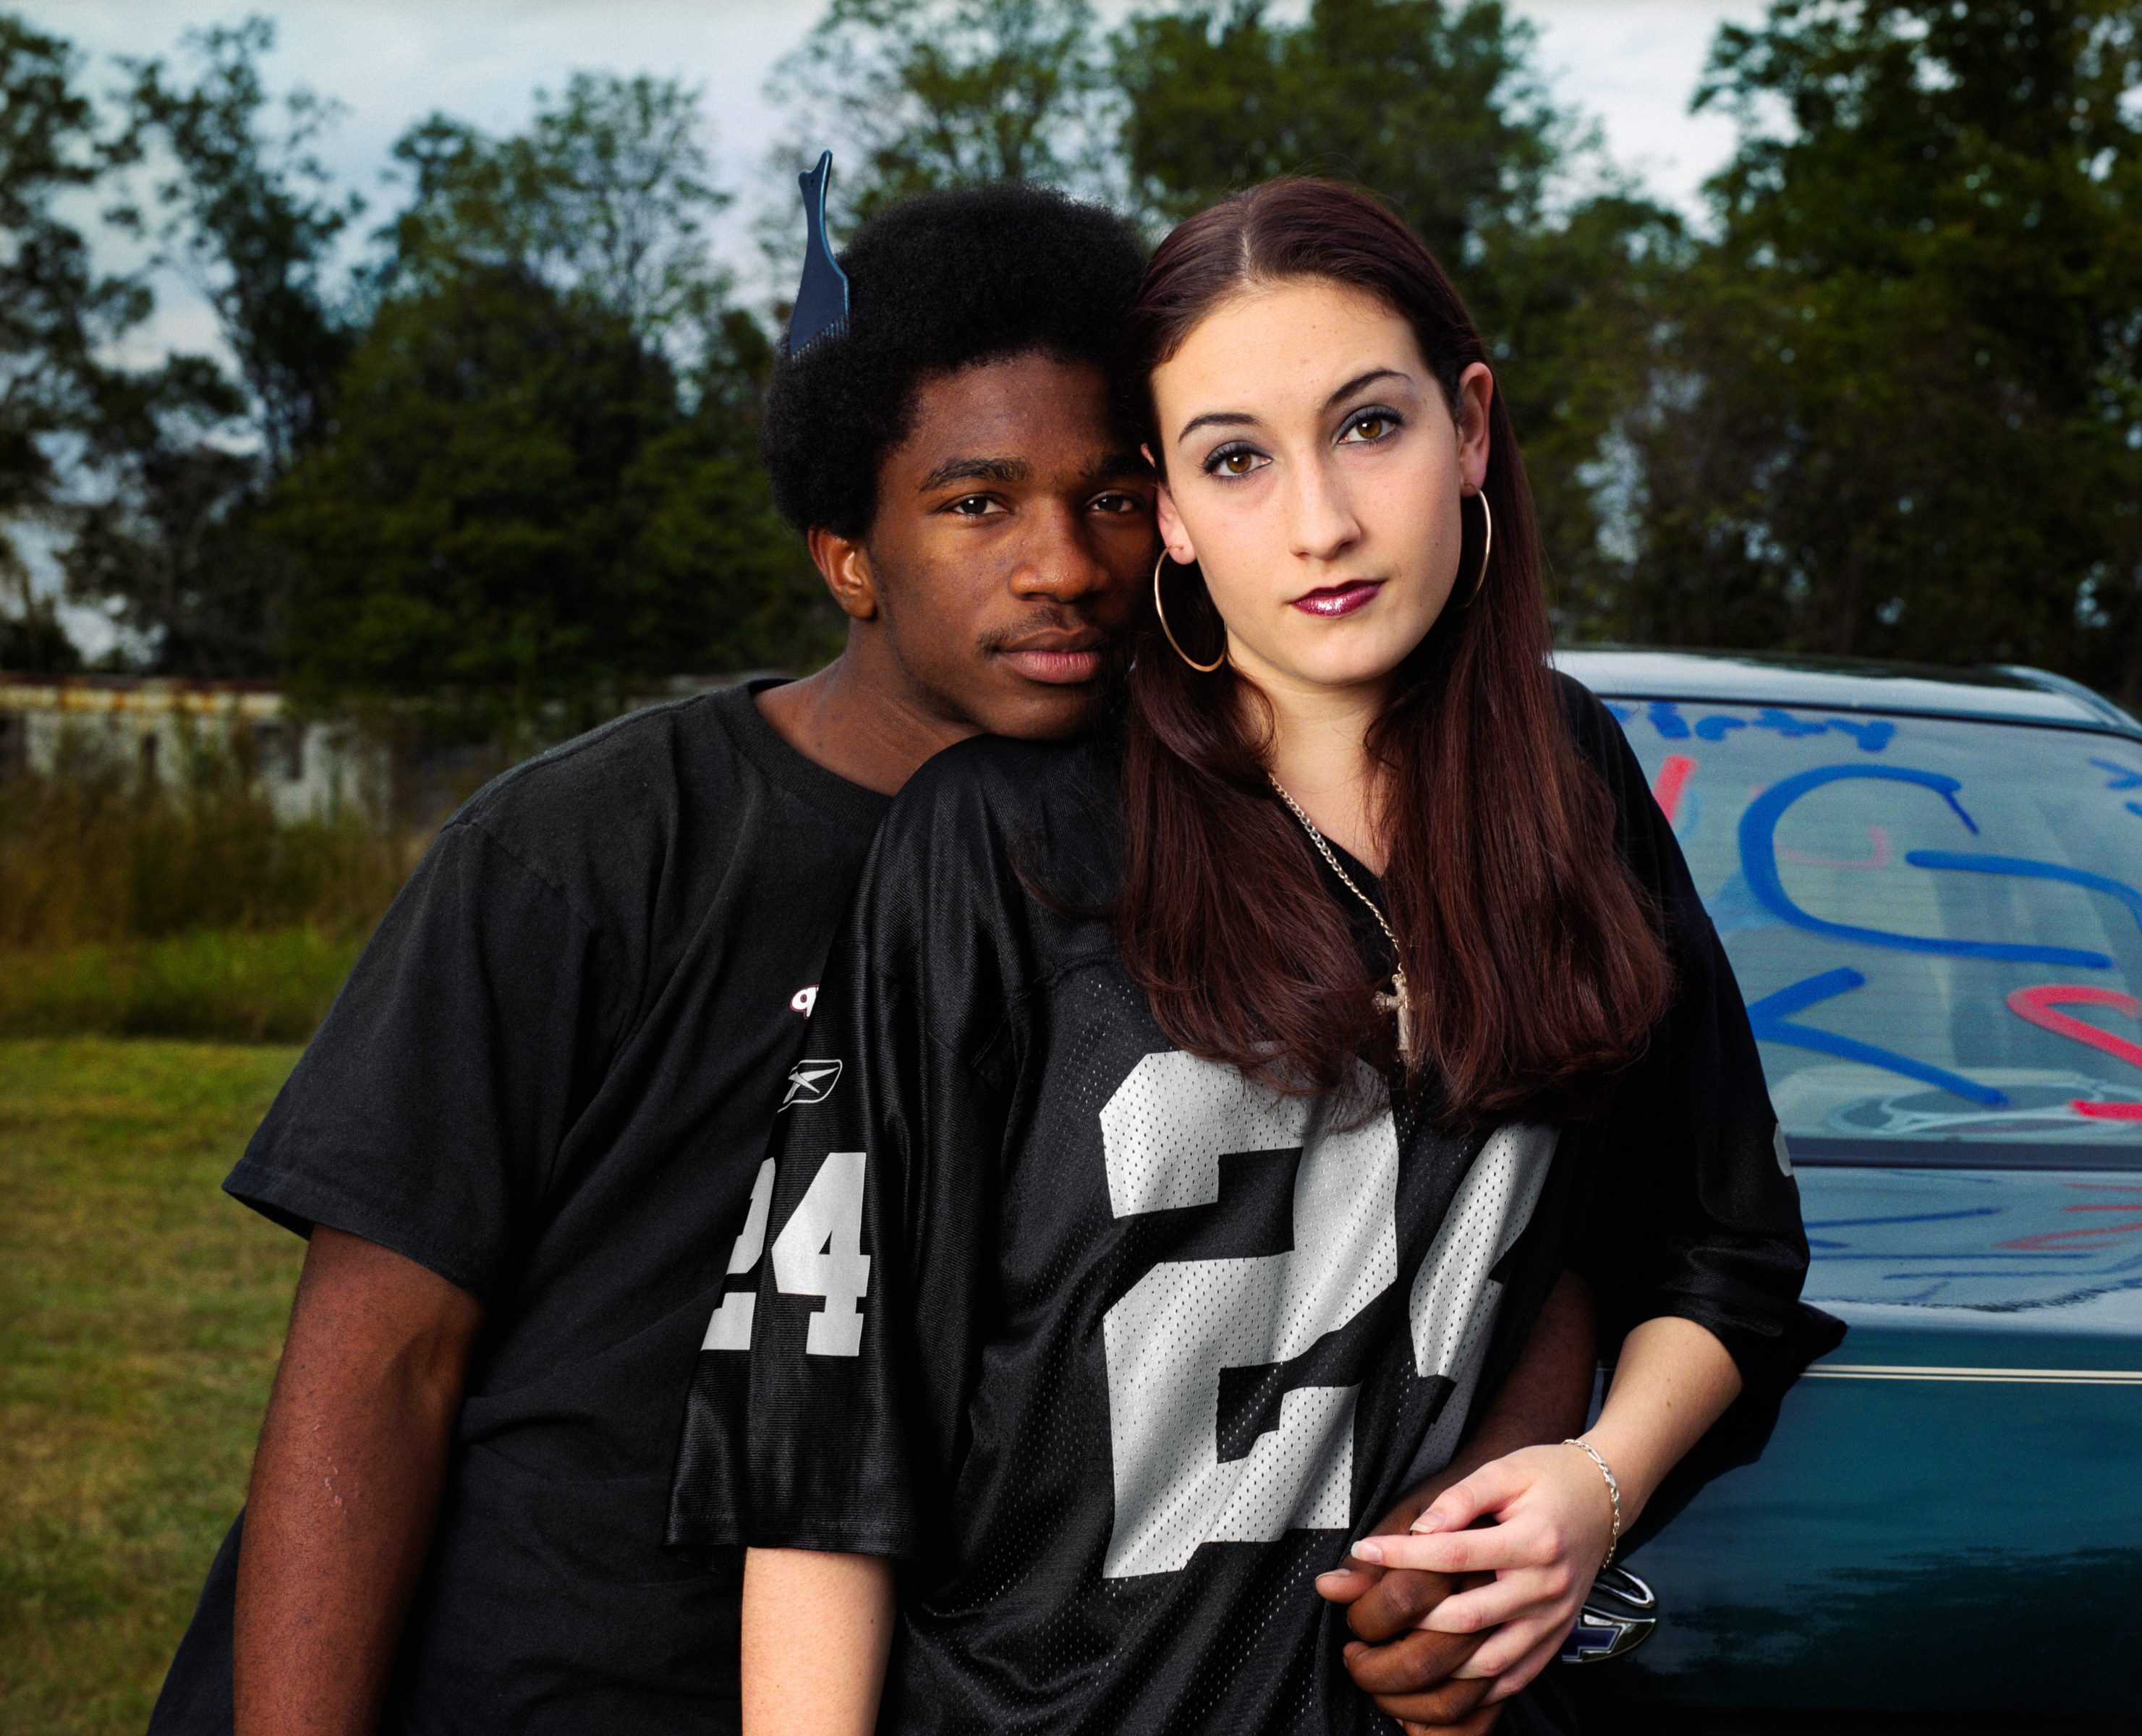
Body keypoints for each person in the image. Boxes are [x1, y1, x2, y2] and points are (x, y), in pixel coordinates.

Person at [677, 177, 1835, 1735]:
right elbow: (828, 1441)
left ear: (1469, 426)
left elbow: (1723, 1247)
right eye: (1234, 458)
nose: (1319, 522)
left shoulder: (1565, 787)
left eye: (1368, 425)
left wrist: (1592, 1481)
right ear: (1166, 507)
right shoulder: (1003, 842)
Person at [144, 177, 1166, 1736]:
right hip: (530, 1676)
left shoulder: (1167, 869)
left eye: (1109, 495)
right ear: (848, 553)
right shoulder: (593, 847)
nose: (1063, 565)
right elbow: (379, 1366)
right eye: (975, 503)